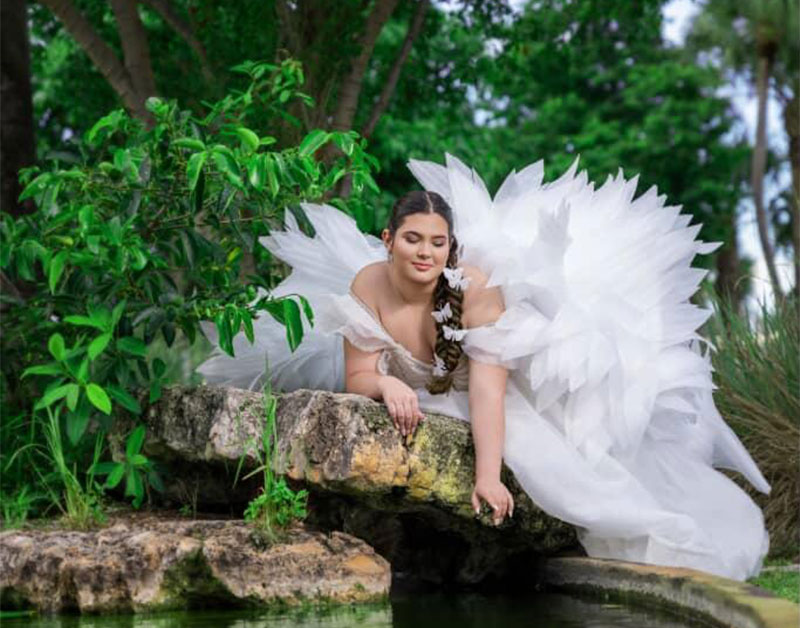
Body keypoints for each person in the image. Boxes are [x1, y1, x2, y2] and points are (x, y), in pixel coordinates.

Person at [199, 154, 770, 581]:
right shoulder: (367, 285)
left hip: (494, 391)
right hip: (429, 391)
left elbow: (489, 394)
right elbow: (357, 378)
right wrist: (387, 382)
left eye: (437, 243)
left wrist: (487, 476)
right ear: (388, 241)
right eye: (412, 239)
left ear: (451, 248)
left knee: (577, 485)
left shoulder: (474, 291)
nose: (425, 253)